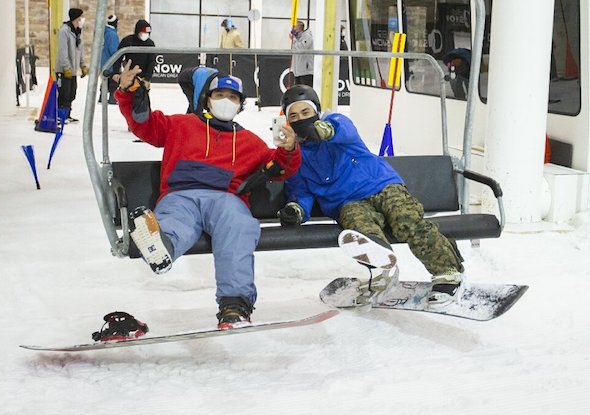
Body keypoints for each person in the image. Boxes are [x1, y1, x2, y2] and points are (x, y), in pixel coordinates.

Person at [115, 62, 301, 329]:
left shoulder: (249, 141)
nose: (226, 101)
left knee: (237, 226)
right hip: (181, 195)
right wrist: (130, 92)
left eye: (233, 98)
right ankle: (161, 245)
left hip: (225, 199)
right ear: (207, 99)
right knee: (175, 220)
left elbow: (278, 168)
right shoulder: (181, 125)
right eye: (219, 96)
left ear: (239, 106)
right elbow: (143, 124)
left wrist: (289, 148)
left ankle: (234, 305)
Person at [277, 85, 465, 307]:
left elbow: (343, 129)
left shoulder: (336, 124)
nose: (301, 119)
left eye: (306, 113)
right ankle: (383, 269)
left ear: (316, 111)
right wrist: (296, 210)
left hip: (380, 185)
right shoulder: (297, 156)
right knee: (361, 232)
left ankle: (447, 272)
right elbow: (301, 191)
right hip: (347, 202)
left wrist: (323, 130)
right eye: (294, 116)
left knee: (405, 221)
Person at [55, 8, 87, 123]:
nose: (82, 19)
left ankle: (67, 115)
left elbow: (80, 50)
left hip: (73, 70)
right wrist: (66, 67)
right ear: (76, 18)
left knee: (71, 93)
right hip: (64, 70)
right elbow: (63, 51)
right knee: (64, 93)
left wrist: (83, 65)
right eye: (80, 17)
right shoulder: (64, 31)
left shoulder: (78, 31)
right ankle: (59, 116)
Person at [111, 20, 156, 90]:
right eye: (143, 32)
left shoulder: (150, 44)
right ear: (138, 31)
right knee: (126, 98)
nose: (145, 35)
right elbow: (118, 57)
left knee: (142, 99)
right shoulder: (127, 41)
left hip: (143, 78)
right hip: (128, 76)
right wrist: (115, 72)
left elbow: (152, 62)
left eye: (147, 33)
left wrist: (147, 79)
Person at [100, 14, 120, 105]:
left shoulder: (105, 32)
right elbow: (114, 50)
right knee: (113, 80)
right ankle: (113, 97)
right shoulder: (112, 34)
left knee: (105, 80)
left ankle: (102, 97)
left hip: (104, 61)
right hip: (111, 62)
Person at [289, 20, 314, 86]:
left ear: (299, 28)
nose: (292, 29)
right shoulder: (297, 39)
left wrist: (293, 39)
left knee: (306, 89)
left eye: (294, 27)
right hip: (297, 71)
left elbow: (301, 48)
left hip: (306, 71)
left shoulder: (307, 37)